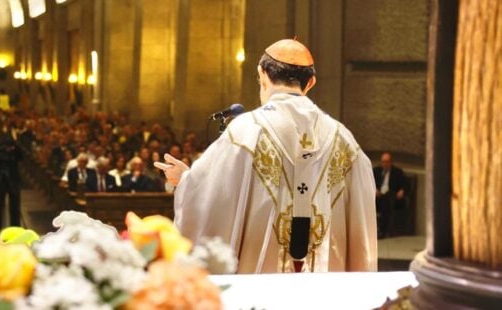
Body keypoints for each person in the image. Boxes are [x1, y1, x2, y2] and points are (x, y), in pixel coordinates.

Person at [155, 39, 377, 273]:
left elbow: (210, 201)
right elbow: (362, 226)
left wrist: (186, 179)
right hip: (322, 288)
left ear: (261, 74)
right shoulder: (344, 140)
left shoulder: (245, 131)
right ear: (310, 82)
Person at [0, 134, 23, 235]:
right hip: (12, 178)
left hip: (0, 177)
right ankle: (15, 229)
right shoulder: (15, 147)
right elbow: (21, 159)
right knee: (14, 206)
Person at [373, 152, 408, 239]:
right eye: (383, 162)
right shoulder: (376, 171)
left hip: (392, 197)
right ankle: (375, 230)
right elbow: (369, 182)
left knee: (386, 201)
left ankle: (382, 231)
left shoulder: (397, 172)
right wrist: (374, 189)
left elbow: (405, 184)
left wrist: (402, 191)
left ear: (391, 162)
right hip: (377, 196)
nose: (385, 164)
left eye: (387, 162)